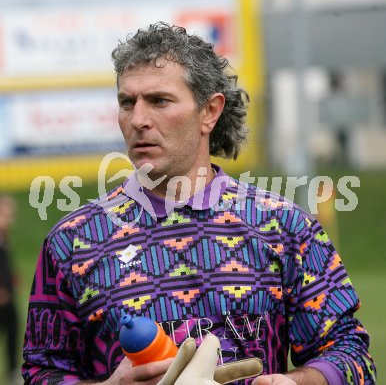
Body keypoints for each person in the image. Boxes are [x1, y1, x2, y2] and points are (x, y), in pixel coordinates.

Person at [22, 22, 376, 384]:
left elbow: (350, 356)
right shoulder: (72, 242)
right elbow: (41, 372)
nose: (139, 120)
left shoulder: (284, 227)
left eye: (159, 100)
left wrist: (294, 382)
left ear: (209, 111)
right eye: (127, 102)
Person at [0, 196, 20, 384]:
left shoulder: (4, 235)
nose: (11, 216)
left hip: (7, 294)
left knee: (13, 329)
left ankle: (13, 370)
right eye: (7, 212)